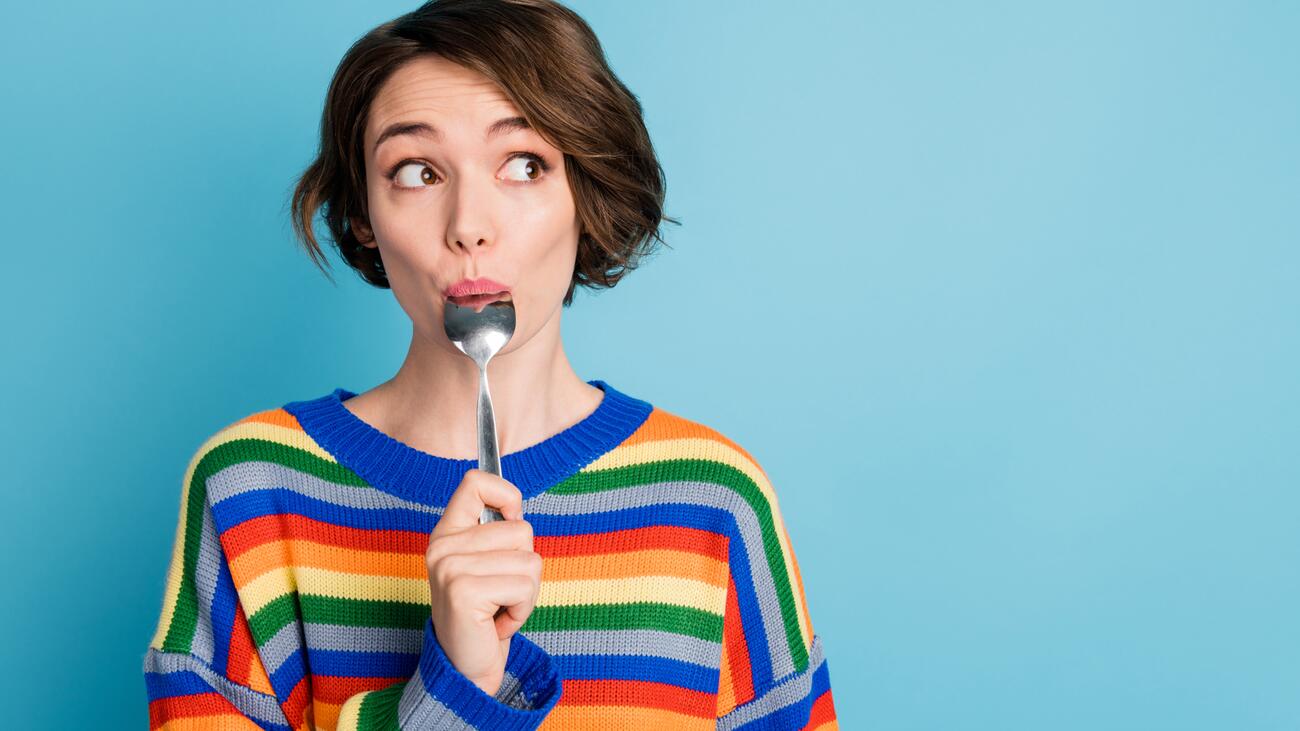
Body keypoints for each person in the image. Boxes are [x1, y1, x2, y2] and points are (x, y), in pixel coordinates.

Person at [142, 1, 838, 728]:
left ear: (585, 193)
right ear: (363, 217)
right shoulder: (252, 491)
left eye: (524, 164)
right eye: (417, 171)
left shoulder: (714, 500)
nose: (469, 224)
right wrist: (457, 685)